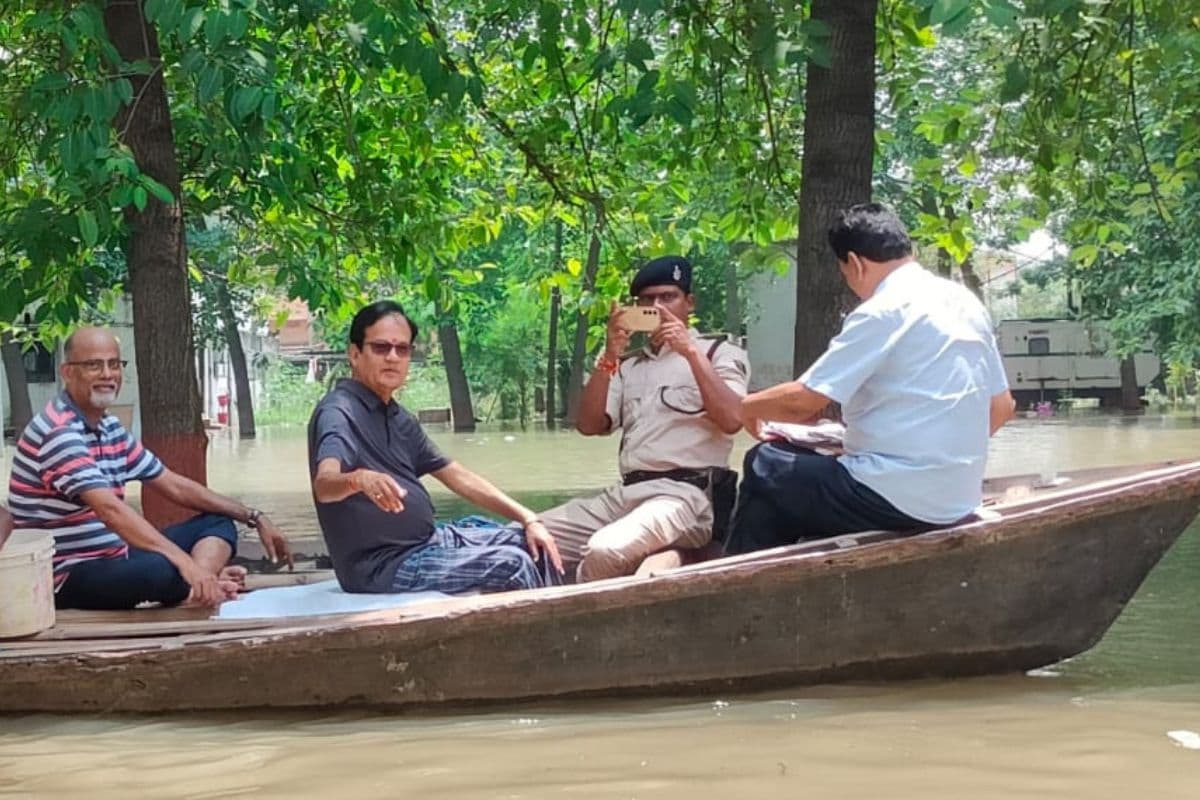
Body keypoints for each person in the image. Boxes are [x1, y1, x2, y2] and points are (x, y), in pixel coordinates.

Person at [725, 203, 1016, 554]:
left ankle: (739, 573)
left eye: (844, 272)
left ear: (855, 263)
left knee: (766, 462)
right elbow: (1002, 407)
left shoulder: (881, 311)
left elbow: (804, 401)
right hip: (959, 496)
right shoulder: (965, 303)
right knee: (799, 471)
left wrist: (747, 406)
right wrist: (938, 453)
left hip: (898, 497)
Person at [6, 327, 292, 610]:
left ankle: (200, 586)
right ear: (67, 373)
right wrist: (186, 564)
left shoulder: (109, 427)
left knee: (218, 521)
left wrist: (252, 516)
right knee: (159, 569)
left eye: (114, 364)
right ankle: (199, 584)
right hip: (66, 574)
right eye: (94, 365)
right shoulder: (59, 432)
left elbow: (173, 485)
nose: (107, 374)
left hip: (115, 554)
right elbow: (111, 510)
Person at [307, 300, 564, 595]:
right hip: (382, 566)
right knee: (512, 564)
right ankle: (550, 624)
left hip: (427, 543)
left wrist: (528, 518)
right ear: (355, 354)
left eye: (402, 349)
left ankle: (561, 619)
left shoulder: (398, 417)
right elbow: (325, 485)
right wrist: (358, 479)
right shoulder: (339, 412)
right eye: (380, 347)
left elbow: (457, 476)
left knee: (533, 542)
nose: (392, 357)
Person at [541, 255, 750, 582]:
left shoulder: (718, 354)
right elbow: (589, 425)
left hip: (687, 497)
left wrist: (689, 351)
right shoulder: (627, 365)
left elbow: (732, 419)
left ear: (689, 303)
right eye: (647, 300)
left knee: (605, 551)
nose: (658, 307)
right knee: (532, 532)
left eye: (668, 297)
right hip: (626, 494)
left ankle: (575, 601)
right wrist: (609, 355)